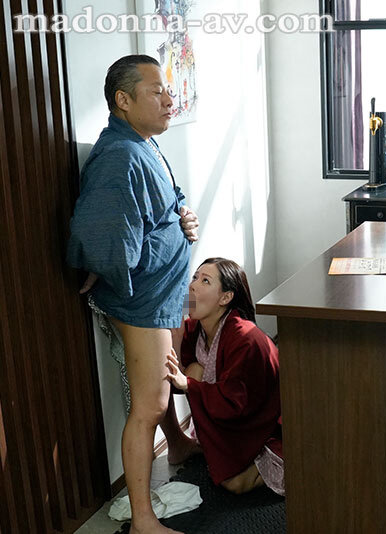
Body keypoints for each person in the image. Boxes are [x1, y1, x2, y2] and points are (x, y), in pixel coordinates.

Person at [67, 55, 200, 534]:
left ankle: (178, 444)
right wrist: (100, 270)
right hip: (143, 300)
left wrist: (183, 216)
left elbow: (166, 198)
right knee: (148, 406)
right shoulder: (120, 155)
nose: (169, 99)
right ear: (123, 100)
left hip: (162, 292)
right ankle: (144, 520)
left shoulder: (144, 144)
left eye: (168, 89)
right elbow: (100, 231)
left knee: (164, 381)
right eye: (157, 91)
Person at [165, 258, 284, 495]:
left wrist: (188, 385)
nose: (193, 285)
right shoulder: (195, 328)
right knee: (194, 371)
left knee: (235, 484)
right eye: (195, 277)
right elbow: (176, 380)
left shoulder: (245, 337)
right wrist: (176, 336)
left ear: (225, 297)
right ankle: (196, 445)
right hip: (233, 412)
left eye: (205, 281)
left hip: (267, 421)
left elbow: (236, 401)